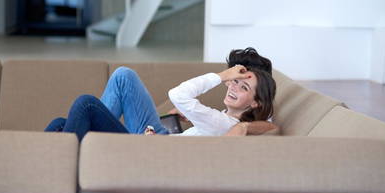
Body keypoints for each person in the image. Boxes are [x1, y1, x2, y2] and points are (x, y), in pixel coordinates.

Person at [44, 47, 277, 141]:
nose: (232, 85)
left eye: (242, 84)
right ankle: (95, 144)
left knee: (85, 106)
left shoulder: (229, 123)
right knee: (123, 76)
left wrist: (221, 76)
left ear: (257, 101)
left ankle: (84, 154)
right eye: (233, 80)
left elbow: (271, 125)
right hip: (159, 138)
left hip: (156, 148)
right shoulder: (227, 120)